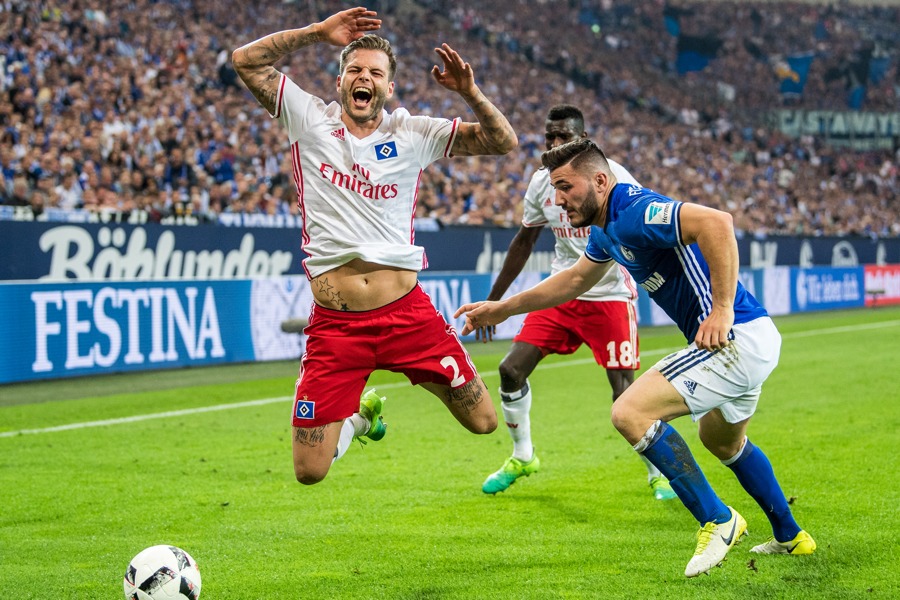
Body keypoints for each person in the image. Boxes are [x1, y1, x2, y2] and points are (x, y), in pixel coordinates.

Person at [455, 138, 815, 577]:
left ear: (601, 181)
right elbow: (574, 280)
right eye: (554, 188)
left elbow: (717, 223)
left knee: (628, 412)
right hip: (748, 341)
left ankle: (718, 519)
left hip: (734, 339)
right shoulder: (605, 229)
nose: (558, 199)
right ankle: (791, 535)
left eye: (566, 186)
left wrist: (721, 310)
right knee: (722, 441)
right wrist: (502, 307)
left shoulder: (633, 211)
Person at [232, 7, 517, 485]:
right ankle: (363, 418)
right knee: (309, 471)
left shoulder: (414, 132)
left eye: (376, 73)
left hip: (408, 317)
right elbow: (245, 60)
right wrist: (316, 33)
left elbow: (502, 141)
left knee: (484, 422)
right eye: (355, 70)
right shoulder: (308, 120)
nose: (364, 78)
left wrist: (469, 92)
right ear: (341, 80)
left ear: (389, 88)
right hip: (337, 326)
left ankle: (414, 378)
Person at [476, 104, 675, 501]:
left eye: (562, 137)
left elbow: (644, 231)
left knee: (625, 395)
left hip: (610, 295)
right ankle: (523, 455)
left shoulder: (613, 177)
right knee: (510, 370)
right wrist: (493, 302)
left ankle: (659, 472)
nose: (553, 144)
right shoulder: (541, 184)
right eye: (549, 137)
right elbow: (524, 242)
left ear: (583, 140)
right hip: (561, 292)